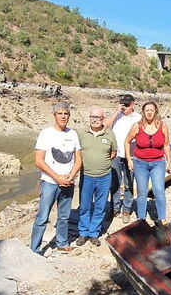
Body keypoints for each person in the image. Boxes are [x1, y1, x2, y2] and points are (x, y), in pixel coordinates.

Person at [30, 101, 81, 254]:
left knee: (64, 216)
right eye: (60, 113)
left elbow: (78, 158)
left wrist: (71, 175)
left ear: (69, 116)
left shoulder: (73, 134)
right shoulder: (46, 133)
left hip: (68, 181)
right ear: (54, 115)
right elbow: (38, 160)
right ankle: (34, 249)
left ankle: (62, 242)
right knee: (42, 217)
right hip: (50, 182)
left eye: (66, 113)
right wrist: (57, 177)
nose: (63, 116)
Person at [75, 106, 117, 247]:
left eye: (98, 117)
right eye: (92, 117)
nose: (95, 120)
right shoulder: (82, 134)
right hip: (86, 176)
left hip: (104, 176)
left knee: (100, 206)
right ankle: (83, 233)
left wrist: (102, 162)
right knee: (85, 206)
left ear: (103, 119)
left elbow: (114, 152)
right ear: (89, 118)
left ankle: (94, 233)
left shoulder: (110, 134)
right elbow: (76, 154)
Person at [125, 101, 171, 224]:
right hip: (140, 163)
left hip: (158, 163)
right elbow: (127, 141)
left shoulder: (162, 126)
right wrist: (129, 159)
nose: (149, 112)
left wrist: (169, 162)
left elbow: (166, 145)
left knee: (159, 190)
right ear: (143, 112)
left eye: (152, 110)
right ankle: (141, 219)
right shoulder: (137, 126)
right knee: (142, 192)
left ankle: (162, 218)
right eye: (147, 110)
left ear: (155, 111)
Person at [105, 94, 140, 223]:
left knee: (129, 183)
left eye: (127, 104)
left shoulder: (138, 118)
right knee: (114, 183)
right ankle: (114, 207)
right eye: (122, 104)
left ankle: (126, 209)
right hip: (115, 154)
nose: (124, 106)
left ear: (133, 104)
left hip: (130, 155)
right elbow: (104, 125)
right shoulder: (116, 116)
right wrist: (117, 111)